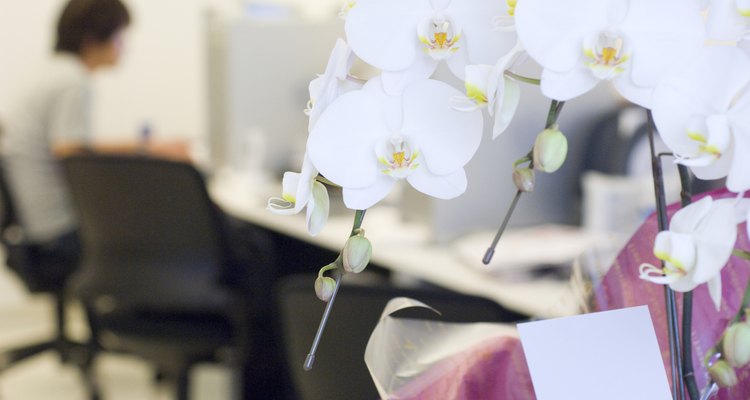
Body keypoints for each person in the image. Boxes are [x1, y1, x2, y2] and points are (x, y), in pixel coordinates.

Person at [0, 0, 131, 285]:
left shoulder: (48, 72)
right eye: (120, 36)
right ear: (93, 39)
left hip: (33, 229)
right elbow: (71, 153)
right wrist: (147, 149)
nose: (124, 46)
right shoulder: (72, 80)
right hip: (59, 235)